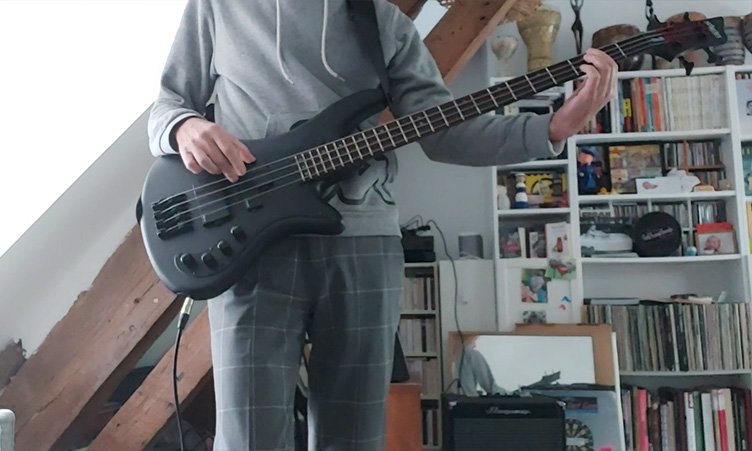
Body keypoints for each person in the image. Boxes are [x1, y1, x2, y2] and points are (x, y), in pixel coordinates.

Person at [147, 1, 617, 449]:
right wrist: (184, 127)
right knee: (247, 439)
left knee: (354, 437)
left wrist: (551, 129)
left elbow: (443, 134)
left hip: (363, 240)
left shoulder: (384, 22)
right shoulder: (216, 7)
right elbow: (168, 103)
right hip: (253, 245)